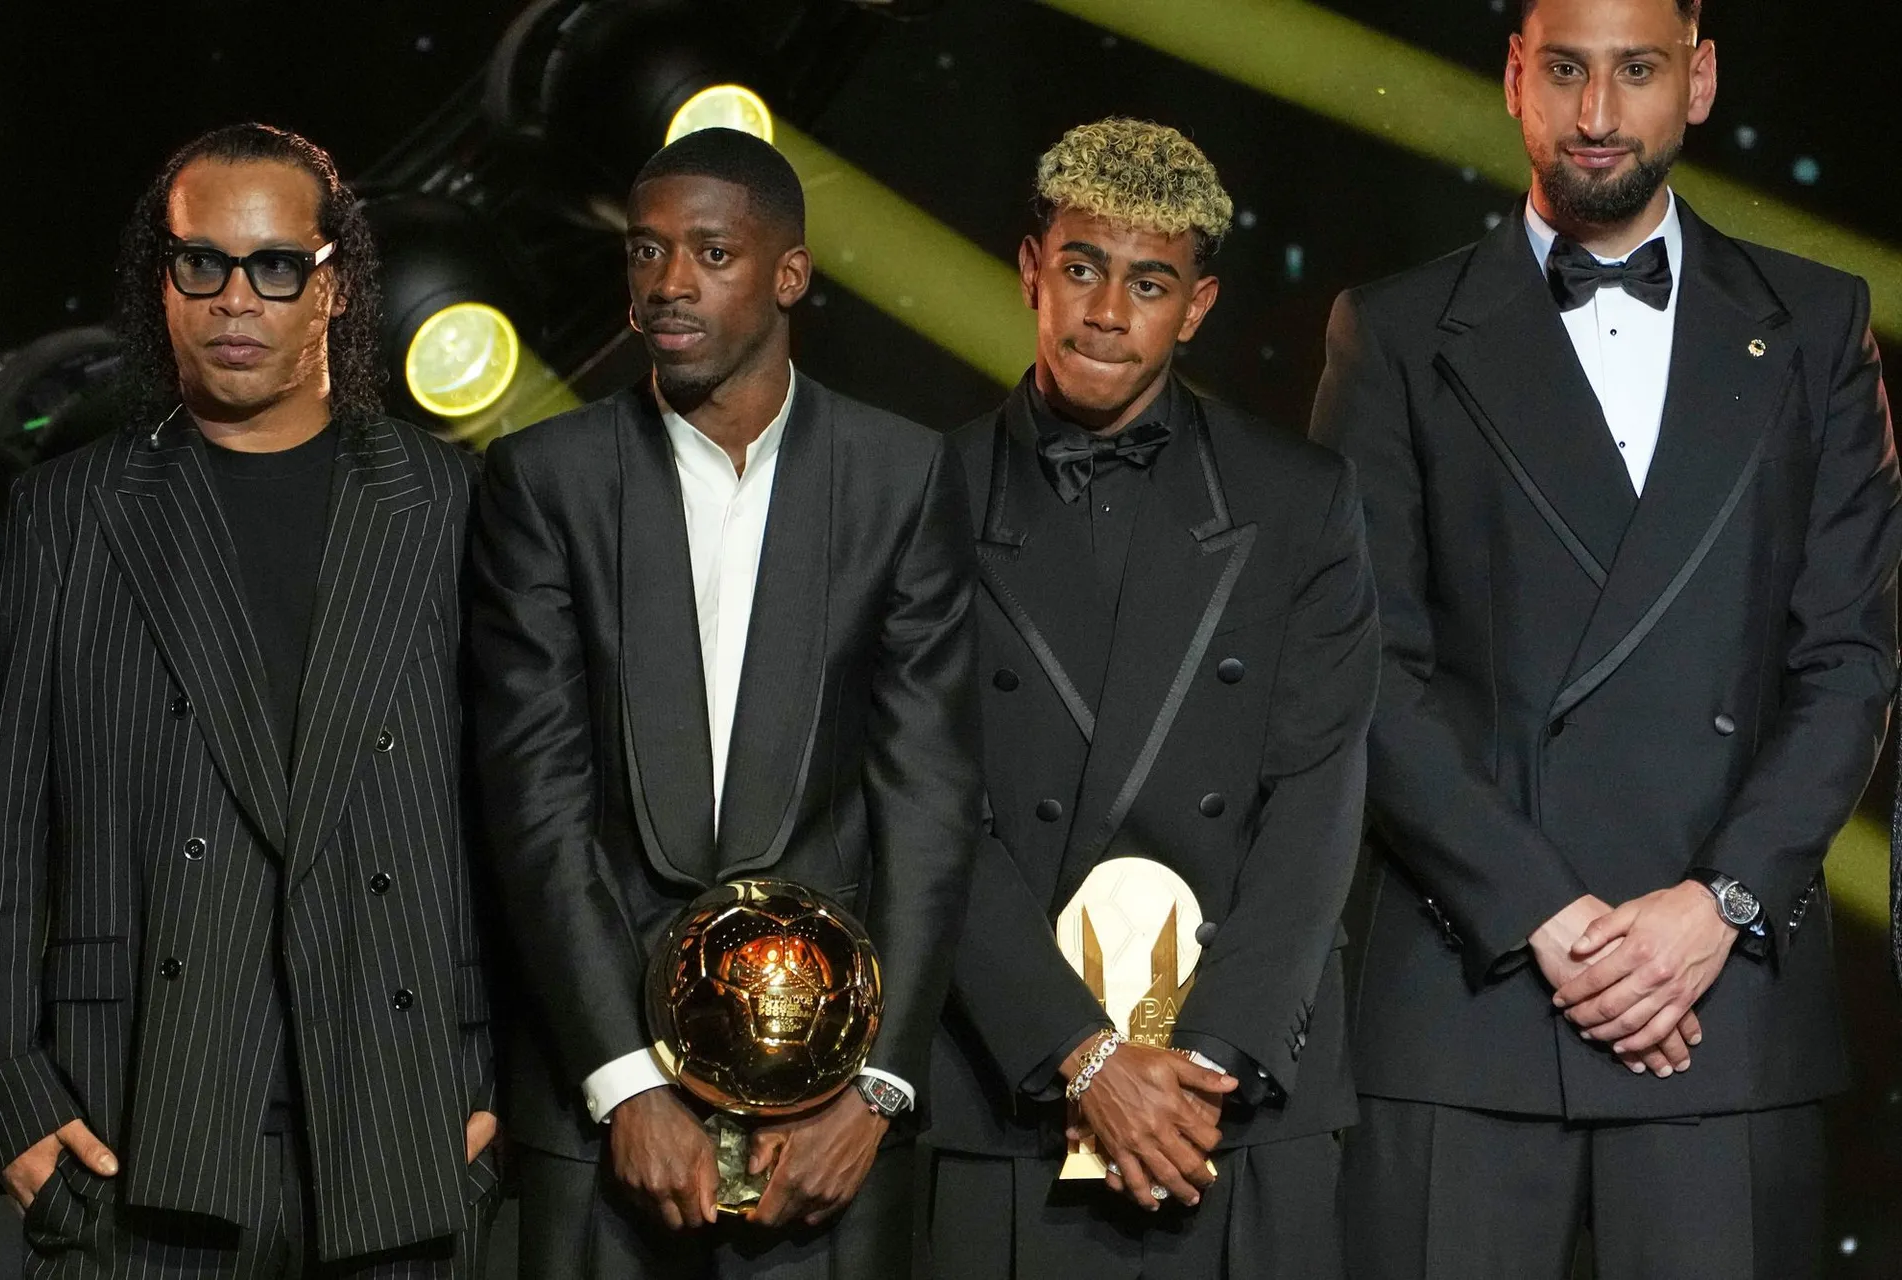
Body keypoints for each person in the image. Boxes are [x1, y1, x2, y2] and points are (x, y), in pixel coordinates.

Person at [1310, 1, 1901, 1274]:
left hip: (1723, 1005)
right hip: (1470, 1000)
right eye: (1566, 70)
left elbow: (1849, 660)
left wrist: (1717, 903)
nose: (1595, 114)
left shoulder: (1814, 323)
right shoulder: (1395, 331)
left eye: (1636, 71)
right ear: (1513, 77)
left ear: (1699, 79)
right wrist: (1545, 913)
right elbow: (1363, 666)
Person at [0, 123, 498, 1277]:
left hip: (400, 1115)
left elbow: (511, 808)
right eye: (201, 262)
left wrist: (498, 1084)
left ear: (333, 285)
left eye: (273, 265)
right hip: (135, 1126)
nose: (234, 297)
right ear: (161, 282)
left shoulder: (449, 501)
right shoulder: (67, 513)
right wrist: (9, 1092)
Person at [471, 126, 983, 1280]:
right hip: (604, 1109)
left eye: (711, 252)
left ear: (789, 274)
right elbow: (532, 802)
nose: (668, 282)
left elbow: (930, 800)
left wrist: (875, 1085)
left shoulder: (900, 474)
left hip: (830, 1120)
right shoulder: (544, 479)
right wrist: (625, 1080)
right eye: (646, 251)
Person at [924, 118, 1376, 1280]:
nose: (1107, 312)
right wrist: (1080, 1054)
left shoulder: (1300, 499)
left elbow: (1316, 805)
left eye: (1149, 282)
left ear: (1199, 304)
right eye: (1082, 268)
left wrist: (1201, 1068)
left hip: (1235, 1103)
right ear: (1032, 270)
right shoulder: (922, 496)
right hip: (1006, 1082)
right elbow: (928, 804)